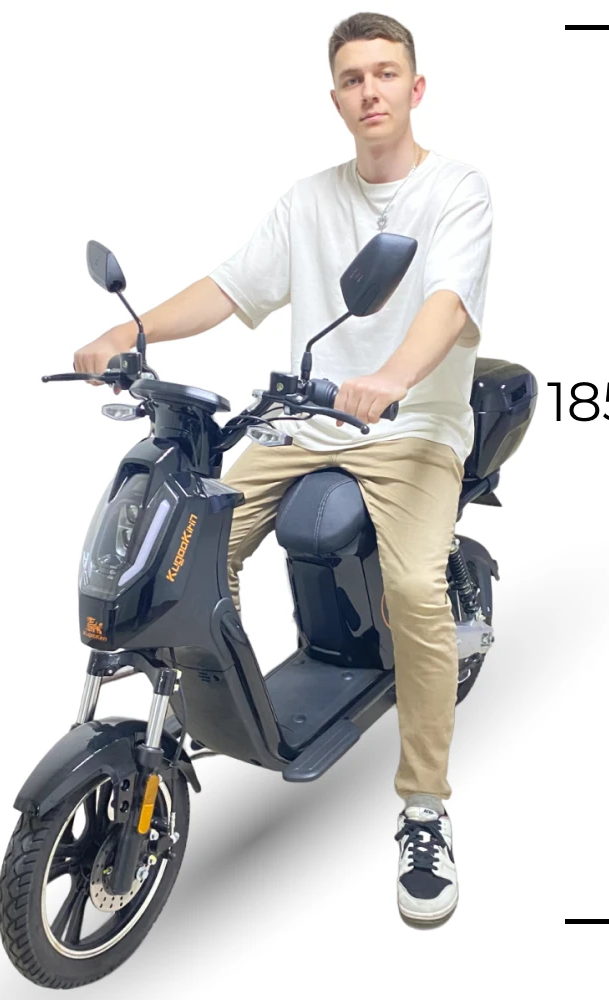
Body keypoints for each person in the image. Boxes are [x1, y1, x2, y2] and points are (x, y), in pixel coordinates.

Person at [73, 12, 492, 925]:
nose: (371, 91)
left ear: (416, 88)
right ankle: (200, 721)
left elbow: (449, 304)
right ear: (335, 97)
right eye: (354, 78)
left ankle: (425, 807)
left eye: (386, 73)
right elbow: (230, 287)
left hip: (412, 425)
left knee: (414, 590)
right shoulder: (309, 200)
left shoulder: (456, 190)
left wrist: (391, 379)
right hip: (308, 424)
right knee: (186, 549)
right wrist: (130, 331)